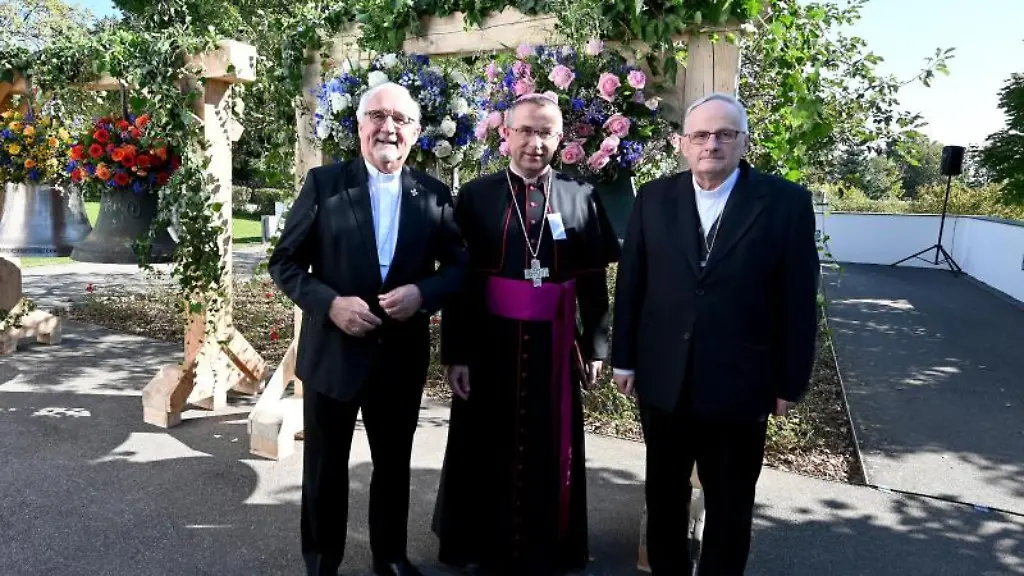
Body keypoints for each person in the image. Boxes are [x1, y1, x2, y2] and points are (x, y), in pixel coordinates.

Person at [611, 92, 820, 575]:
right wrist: (624, 358)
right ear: (683, 144)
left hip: (741, 383)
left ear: (744, 142)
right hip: (664, 381)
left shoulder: (785, 203)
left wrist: (791, 382)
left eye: (725, 134)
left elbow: (797, 299)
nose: (712, 143)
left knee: (729, 509)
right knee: (664, 498)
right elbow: (633, 284)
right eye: (701, 134)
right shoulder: (654, 198)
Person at [268, 82, 467, 576]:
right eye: (377, 116)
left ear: (417, 132)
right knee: (324, 469)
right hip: (332, 352)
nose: (389, 127)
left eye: (401, 119)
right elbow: (284, 262)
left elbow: (461, 268)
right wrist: (329, 303)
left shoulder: (435, 195)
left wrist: (423, 293)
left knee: (394, 465)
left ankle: (390, 558)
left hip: (400, 357)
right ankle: (322, 561)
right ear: (359, 126)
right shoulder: (324, 184)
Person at [432, 93, 621, 575]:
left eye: (546, 133)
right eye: (526, 131)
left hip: (555, 348)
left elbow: (593, 281)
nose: (535, 143)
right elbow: (459, 281)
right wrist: (455, 353)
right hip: (488, 344)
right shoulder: (477, 195)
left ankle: (549, 545)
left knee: (549, 447)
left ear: (560, 139)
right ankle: (478, 544)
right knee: (483, 446)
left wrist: (596, 346)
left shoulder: (580, 195)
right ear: (506, 136)